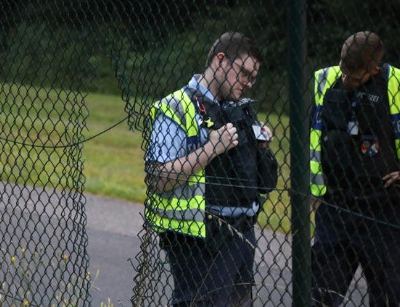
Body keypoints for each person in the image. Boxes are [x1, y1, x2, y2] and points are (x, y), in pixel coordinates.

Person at [144, 32, 278, 306]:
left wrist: (261, 148)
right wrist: (211, 149)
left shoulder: (240, 110)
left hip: (243, 233)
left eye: (253, 78)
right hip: (198, 237)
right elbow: (157, 178)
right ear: (220, 60)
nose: (248, 83)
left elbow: (264, 183)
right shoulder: (176, 107)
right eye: (244, 73)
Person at [309, 31, 400, 306]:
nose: (346, 80)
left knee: (388, 298)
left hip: (384, 207)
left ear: (373, 69)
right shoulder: (324, 79)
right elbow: (312, 138)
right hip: (336, 205)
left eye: (355, 76)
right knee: (320, 296)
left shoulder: (395, 83)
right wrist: (315, 190)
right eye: (344, 71)